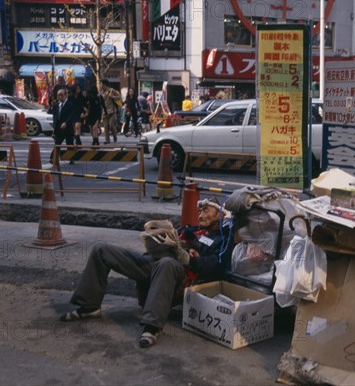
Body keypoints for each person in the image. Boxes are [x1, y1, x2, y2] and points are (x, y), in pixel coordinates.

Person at [58, 198, 235, 349]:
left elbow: (216, 266)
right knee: (101, 250)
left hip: (180, 273)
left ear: (220, 214)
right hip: (154, 263)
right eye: (199, 210)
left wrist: (189, 259)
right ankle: (89, 307)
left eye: (206, 210)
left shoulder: (222, 238)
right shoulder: (191, 230)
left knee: (166, 263)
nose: (200, 214)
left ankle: (152, 326)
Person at [50, 88, 77, 164]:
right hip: (59, 129)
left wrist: (66, 122)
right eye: (58, 95)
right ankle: (53, 158)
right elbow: (55, 117)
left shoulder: (70, 105)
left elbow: (71, 116)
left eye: (61, 95)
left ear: (66, 95)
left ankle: (71, 159)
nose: (59, 97)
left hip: (68, 128)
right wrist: (54, 129)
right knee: (57, 144)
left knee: (70, 144)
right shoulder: (56, 105)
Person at [100, 79, 121, 144]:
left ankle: (114, 136)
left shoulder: (111, 90)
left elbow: (119, 97)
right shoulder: (101, 92)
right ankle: (107, 139)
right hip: (105, 111)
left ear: (104, 84)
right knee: (106, 126)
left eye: (101, 84)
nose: (100, 85)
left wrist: (112, 97)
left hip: (112, 111)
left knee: (111, 125)